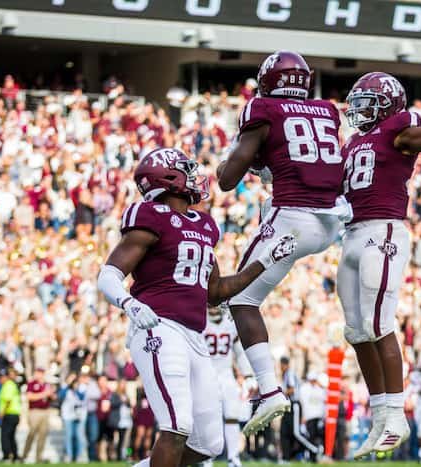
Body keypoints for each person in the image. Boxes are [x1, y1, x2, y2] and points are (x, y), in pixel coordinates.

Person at [97, 147, 297, 467]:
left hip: (193, 334)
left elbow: (216, 293)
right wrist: (130, 305)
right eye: (186, 170)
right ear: (169, 178)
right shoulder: (150, 216)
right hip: (158, 327)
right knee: (177, 426)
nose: (195, 176)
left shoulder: (203, 225)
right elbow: (108, 275)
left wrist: (265, 260)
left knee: (209, 443)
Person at [216, 51, 347, 436]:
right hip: (331, 221)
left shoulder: (262, 110)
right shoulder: (326, 111)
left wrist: (239, 156)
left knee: (239, 298)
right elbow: (307, 160)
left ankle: (269, 389)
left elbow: (226, 180)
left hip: (293, 218)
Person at [338, 49, 421, 458]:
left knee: (378, 322)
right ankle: (381, 414)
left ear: (386, 105)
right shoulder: (353, 142)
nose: (359, 110)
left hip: (382, 231)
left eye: (367, 103)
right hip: (351, 234)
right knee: (355, 331)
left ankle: (397, 415)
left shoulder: (397, 129)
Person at [203, 305, 252, 467]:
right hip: (207, 376)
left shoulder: (230, 323)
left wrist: (248, 375)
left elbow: (240, 352)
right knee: (209, 418)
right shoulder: (200, 321)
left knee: (232, 416)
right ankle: (207, 457)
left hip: (226, 375)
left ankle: (233, 457)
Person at [23, 367, 55, 462]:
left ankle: (39, 458)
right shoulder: (32, 384)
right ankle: (24, 455)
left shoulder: (47, 384)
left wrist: (51, 394)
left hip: (45, 411)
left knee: (42, 435)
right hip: (35, 411)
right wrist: (43, 394)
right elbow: (29, 396)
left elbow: (53, 397)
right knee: (32, 433)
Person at [299, 372, 326, 462]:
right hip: (309, 417)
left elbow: (322, 402)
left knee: (317, 437)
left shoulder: (320, 389)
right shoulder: (304, 388)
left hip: (318, 417)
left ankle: (316, 456)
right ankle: (311, 456)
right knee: (310, 437)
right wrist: (303, 416)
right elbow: (303, 403)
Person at [0, 367, 22, 463]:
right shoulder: (11, 385)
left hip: (10, 414)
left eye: (1, 377)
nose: (0, 379)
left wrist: (2, 412)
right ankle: (15, 456)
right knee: (11, 436)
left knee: (5, 436)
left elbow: (8, 400)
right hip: (14, 414)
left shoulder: (8, 385)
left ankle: (7, 456)